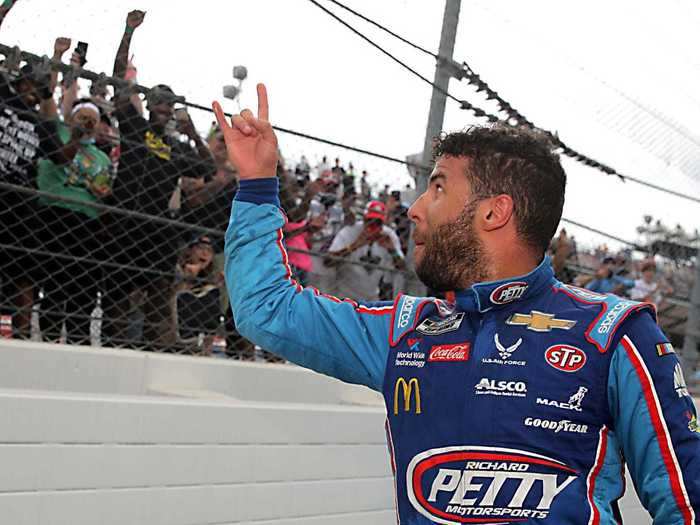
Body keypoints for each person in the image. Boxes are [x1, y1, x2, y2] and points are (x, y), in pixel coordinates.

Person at [214, 85, 699, 524]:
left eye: (439, 185)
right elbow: (267, 310)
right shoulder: (404, 332)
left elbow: (686, 506)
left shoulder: (613, 334)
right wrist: (258, 185)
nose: (416, 207)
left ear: (495, 211)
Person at [35, 98, 112, 344]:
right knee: (55, 283)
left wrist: (103, 194)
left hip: (87, 221)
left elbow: (102, 191)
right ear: (71, 118)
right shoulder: (58, 132)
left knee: (84, 287)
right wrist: (76, 136)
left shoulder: (102, 157)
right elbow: (59, 153)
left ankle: (79, 341)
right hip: (55, 214)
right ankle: (49, 338)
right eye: (83, 117)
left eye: (93, 120)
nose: (89, 123)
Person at [324, 200, 405, 301]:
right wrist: (354, 246)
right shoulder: (351, 231)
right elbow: (327, 261)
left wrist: (392, 250)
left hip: (371, 297)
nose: (373, 226)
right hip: (344, 296)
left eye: (378, 223)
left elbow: (402, 267)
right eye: (370, 221)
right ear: (364, 219)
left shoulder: (389, 236)